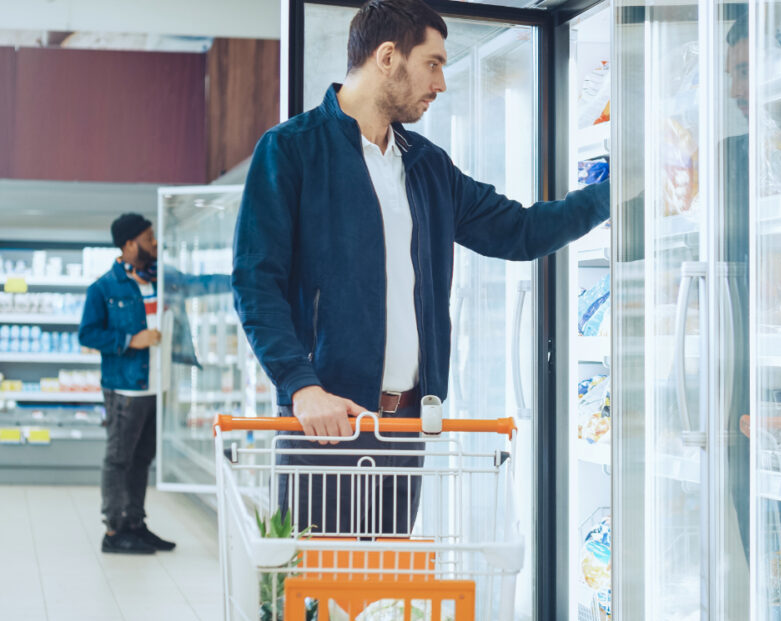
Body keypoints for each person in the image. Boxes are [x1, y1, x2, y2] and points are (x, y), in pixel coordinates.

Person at [233, 0, 610, 535]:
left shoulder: (427, 166)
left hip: (407, 423)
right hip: (325, 419)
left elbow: (522, 231)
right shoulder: (291, 151)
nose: (441, 82)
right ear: (388, 57)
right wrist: (301, 386)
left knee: (387, 600)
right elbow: (256, 283)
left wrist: (615, 193)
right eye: (432, 63)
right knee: (320, 602)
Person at [79, 214, 174, 554]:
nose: (155, 243)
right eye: (149, 238)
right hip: (125, 388)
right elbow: (87, 334)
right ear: (130, 243)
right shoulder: (104, 287)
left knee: (142, 458)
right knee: (119, 458)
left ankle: (135, 523)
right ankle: (114, 532)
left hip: (154, 386)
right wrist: (131, 339)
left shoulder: (159, 281)